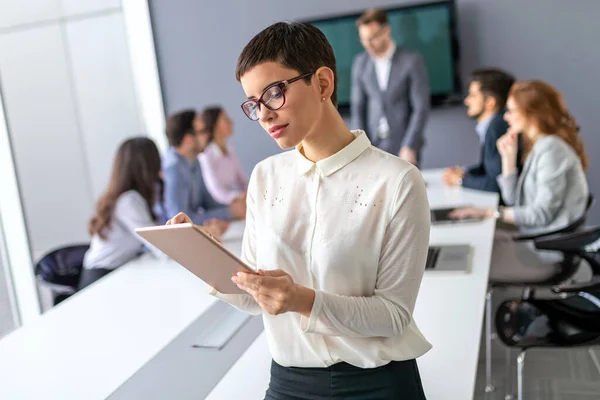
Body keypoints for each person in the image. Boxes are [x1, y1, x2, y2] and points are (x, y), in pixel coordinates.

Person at [167, 21, 431, 399]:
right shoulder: (265, 177)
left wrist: (300, 300)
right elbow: (253, 298)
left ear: (323, 83)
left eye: (274, 93)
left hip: (377, 384)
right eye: (253, 104)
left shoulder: (397, 180)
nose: (264, 115)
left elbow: (393, 316)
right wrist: (197, 254)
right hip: (289, 382)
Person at [450, 80, 589, 283]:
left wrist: (491, 213)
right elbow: (514, 201)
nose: (505, 117)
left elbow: (539, 214)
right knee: (473, 245)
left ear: (532, 112)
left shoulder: (552, 151)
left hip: (546, 254)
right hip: (537, 243)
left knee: (470, 265)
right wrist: (508, 160)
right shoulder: (539, 146)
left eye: (511, 111)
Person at [80, 138, 167, 290]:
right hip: (101, 278)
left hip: (115, 270)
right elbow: (158, 245)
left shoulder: (129, 198)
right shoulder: (128, 201)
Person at [351, 9, 430, 165]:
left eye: (372, 38)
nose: (368, 44)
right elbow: (358, 107)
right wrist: (358, 147)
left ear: (386, 31)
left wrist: (409, 145)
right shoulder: (360, 63)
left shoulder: (412, 61)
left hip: (404, 144)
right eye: (363, 39)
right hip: (372, 144)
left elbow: (421, 107)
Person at [162, 109, 245, 226]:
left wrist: (234, 207)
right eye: (203, 131)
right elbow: (180, 222)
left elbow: (207, 201)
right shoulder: (173, 170)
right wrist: (229, 212)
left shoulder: (194, 161)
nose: (208, 135)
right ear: (188, 140)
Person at [443, 68, 517, 193]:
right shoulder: (495, 124)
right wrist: (465, 173)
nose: (466, 101)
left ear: (490, 102)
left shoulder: (496, 127)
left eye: (472, 95)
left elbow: (496, 183)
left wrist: (460, 181)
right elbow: (488, 169)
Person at [198, 106, 249, 204]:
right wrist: (240, 196)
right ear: (215, 126)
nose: (231, 122)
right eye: (226, 119)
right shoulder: (206, 156)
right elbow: (217, 192)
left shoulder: (229, 150)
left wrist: (251, 191)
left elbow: (242, 181)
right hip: (218, 208)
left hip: (235, 202)